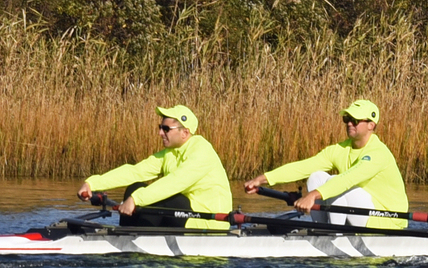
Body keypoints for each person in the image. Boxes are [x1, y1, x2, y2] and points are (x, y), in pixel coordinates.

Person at [242, 99, 408, 230]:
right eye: (347, 119)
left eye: (355, 120)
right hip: (360, 212)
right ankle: (323, 230)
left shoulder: (378, 153)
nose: (349, 123)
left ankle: (333, 234)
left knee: (338, 183)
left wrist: (312, 196)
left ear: (371, 125)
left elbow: (347, 180)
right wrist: (263, 179)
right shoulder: (340, 149)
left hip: (389, 220)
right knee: (317, 176)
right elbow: (304, 167)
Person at [76, 105, 233, 230]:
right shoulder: (169, 153)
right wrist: (92, 184)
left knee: (162, 197)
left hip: (208, 223)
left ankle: (135, 238)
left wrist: (136, 200)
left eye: (166, 129)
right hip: (183, 217)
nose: (160, 133)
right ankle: (128, 233)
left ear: (185, 132)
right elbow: (135, 172)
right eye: (160, 127)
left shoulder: (202, 152)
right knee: (135, 186)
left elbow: (174, 183)